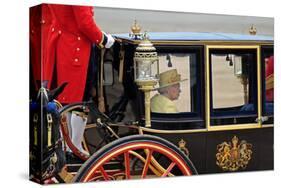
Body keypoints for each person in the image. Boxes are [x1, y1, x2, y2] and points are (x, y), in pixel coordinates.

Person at [44, 4, 115, 156]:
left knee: (64, 99)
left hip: (61, 43)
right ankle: (74, 146)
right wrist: (103, 39)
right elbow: (84, 22)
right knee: (80, 100)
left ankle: (66, 145)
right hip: (77, 47)